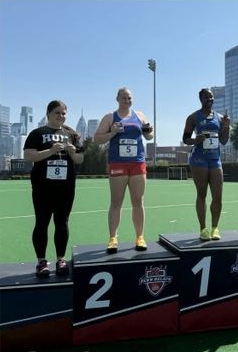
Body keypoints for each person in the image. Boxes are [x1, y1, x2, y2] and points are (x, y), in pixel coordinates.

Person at [23, 101, 84, 278]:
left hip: (65, 186)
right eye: (57, 113)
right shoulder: (37, 133)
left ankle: (60, 260)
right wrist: (50, 151)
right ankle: (41, 262)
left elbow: (80, 159)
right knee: (41, 222)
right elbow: (28, 156)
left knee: (62, 222)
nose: (61, 116)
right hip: (43, 186)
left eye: (64, 113)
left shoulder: (71, 134)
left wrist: (73, 153)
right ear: (48, 113)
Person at [93, 87, 154, 253]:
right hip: (118, 164)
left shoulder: (139, 115)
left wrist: (148, 130)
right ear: (117, 99)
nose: (126, 101)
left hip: (137, 163)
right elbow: (97, 139)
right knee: (116, 203)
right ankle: (113, 238)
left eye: (129, 98)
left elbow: (149, 136)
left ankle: (139, 237)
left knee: (138, 202)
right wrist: (112, 132)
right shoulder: (109, 117)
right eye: (124, 98)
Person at [182, 88, 230, 240]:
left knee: (218, 196)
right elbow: (185, 139)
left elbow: (223, 140)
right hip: (198, 160)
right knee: (201, 194)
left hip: (215, 159)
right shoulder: (193, 117)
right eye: (206, 97)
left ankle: (215, 228)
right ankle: (203, 229)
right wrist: (196, 140)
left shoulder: (220, 118)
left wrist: (226, 126)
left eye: (211, 97)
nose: (210, 99)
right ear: (201, 99)